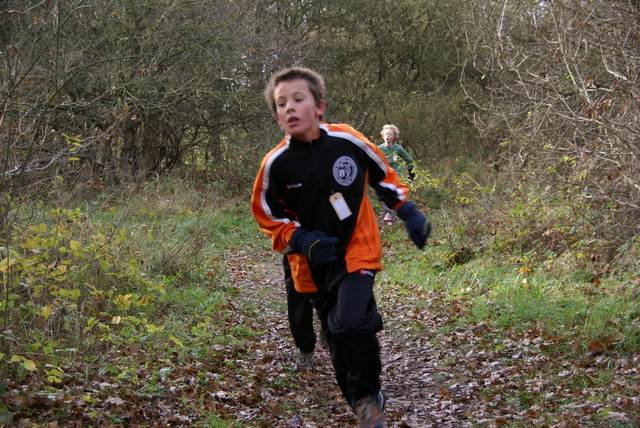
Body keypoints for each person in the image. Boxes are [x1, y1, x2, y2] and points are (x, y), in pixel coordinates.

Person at [251, 66, 431, 428]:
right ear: (276, 116)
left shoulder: (346, 140)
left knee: (349, 323)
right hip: (312, 266)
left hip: (358, 249)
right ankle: (360, 400)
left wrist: (408, 212)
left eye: (298, 99)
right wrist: (302, 240)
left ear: (318, 106)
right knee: (335, 335)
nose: (290, 108)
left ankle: (367, 395)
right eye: (281, 103)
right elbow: (265, 213)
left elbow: (383, 174)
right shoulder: (276, 164)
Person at [377, 124, 415, 225]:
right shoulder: (379, 149)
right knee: (384, 193)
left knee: (394, 194)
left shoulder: (398, 149)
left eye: (390, 134)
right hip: (385, 174)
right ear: (383, 136)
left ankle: (394, 214)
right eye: (386, 134)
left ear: (394, 137)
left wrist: (411, 172)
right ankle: (388, 213)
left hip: (396, 174)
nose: (388, 136)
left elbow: (409, 160)